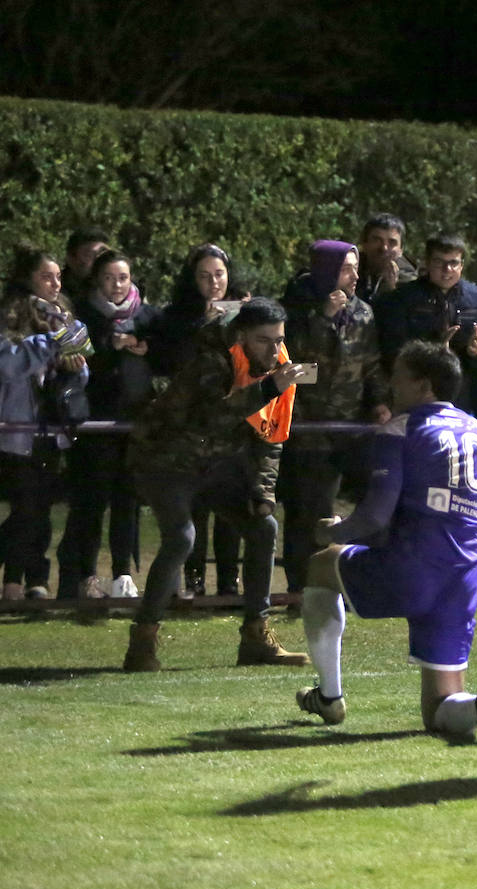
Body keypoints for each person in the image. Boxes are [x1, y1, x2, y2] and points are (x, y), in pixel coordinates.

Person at [294, 340, 477, 742]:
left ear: (423, 385)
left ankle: (329, 696)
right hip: (461, 577)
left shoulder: (401, 428)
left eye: (398, 376)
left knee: (320, 564)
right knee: (438, 711)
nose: (391, 384)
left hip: (412, 565)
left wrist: (332, 531)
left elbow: (375, 516)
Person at [122, 298, 310, 672]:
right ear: (241, 336)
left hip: (214, 463)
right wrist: (269, 387)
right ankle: (142, 641)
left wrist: (263, 491)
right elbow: (215, 414)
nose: (274, 350)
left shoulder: (277, 365)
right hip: (166, 459)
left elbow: (272, 433)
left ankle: (256, 636)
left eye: (279, 340)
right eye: (263, 341)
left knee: (263, 527)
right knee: (181, 538)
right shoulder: (209, 357)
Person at [279, 240, 387, 593]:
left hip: (353, 427)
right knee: (309, 513)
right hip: (310, 429)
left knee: (374, 501)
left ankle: (363, 579)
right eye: (345, 268)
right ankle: (303, 587)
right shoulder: (296, 308)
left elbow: (371, 365)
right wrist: (321, 319)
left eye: (356, 268)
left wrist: (380, 403)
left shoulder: (363, 313)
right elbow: (288, 360)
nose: (354, 276)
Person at [57, 248, 160, 601]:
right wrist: (109, 347)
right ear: (96, 281)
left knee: (127, 499)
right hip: (95, 422)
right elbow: (78, 359)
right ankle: (86, 574)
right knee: (92, 500)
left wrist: (145, 347)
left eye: (123, 277)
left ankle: (124, 574)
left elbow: (166, 350)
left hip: (135, 421)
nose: (116, 285)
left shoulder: (147, 316)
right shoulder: (82, 316)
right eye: (108, 278)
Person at [149, 244, 244, 598]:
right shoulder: (175, 318)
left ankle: (230, 581)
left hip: (231, 419)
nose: (213, 282)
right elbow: (167, 359)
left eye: (219, 274)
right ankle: (193, 579)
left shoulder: (243, 312)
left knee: (230, 503)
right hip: (190, 423)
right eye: (204, 276)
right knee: (196, 506)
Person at [0, 246, 90, 600]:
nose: (55, 283)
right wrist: (49, 343)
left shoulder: (64, 314)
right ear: (27, 279)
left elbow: (83, 363)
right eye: (46, 276)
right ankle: (19, 580)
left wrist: (75, 368)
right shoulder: (8, 315)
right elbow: (8, 365)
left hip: (53, 427)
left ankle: (27, 579)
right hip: (16, 427)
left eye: (58, 276)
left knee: (38, 507)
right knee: (27, 506)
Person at [373, 233, 477, 411]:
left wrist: (476, 353)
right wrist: (434, 351)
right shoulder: (405, 297)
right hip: (417, 396)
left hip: (463, 400)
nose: (447, 270)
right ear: (428, 263)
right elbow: (391, 352)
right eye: (439, 262)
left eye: (453, 263)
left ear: (462, 265)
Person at [355, 213, 417, 304]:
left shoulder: (409, 282)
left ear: (401, 249)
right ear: (364, 244)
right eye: (377, 240)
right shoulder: (349, 270)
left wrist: (390, 291)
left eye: (392, 242)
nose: (384, 248)